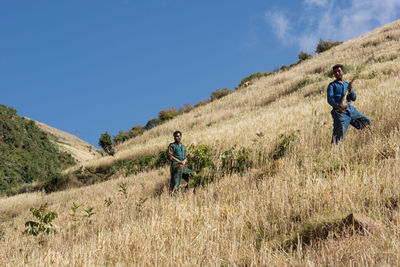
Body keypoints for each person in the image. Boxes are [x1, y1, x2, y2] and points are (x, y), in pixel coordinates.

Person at [327, 64, 370, 144]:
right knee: (338, 135)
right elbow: (330, 99)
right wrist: (337, 106)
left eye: (339, 71)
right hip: (340, 113)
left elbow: (354, 98)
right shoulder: (332, 85)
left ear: (343, 72)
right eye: (335, 72)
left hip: (351, 110)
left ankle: (367, 142)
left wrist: (351, 90)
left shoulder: (347, 84)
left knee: (366, 122)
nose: (337, 73)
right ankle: (335, 152)